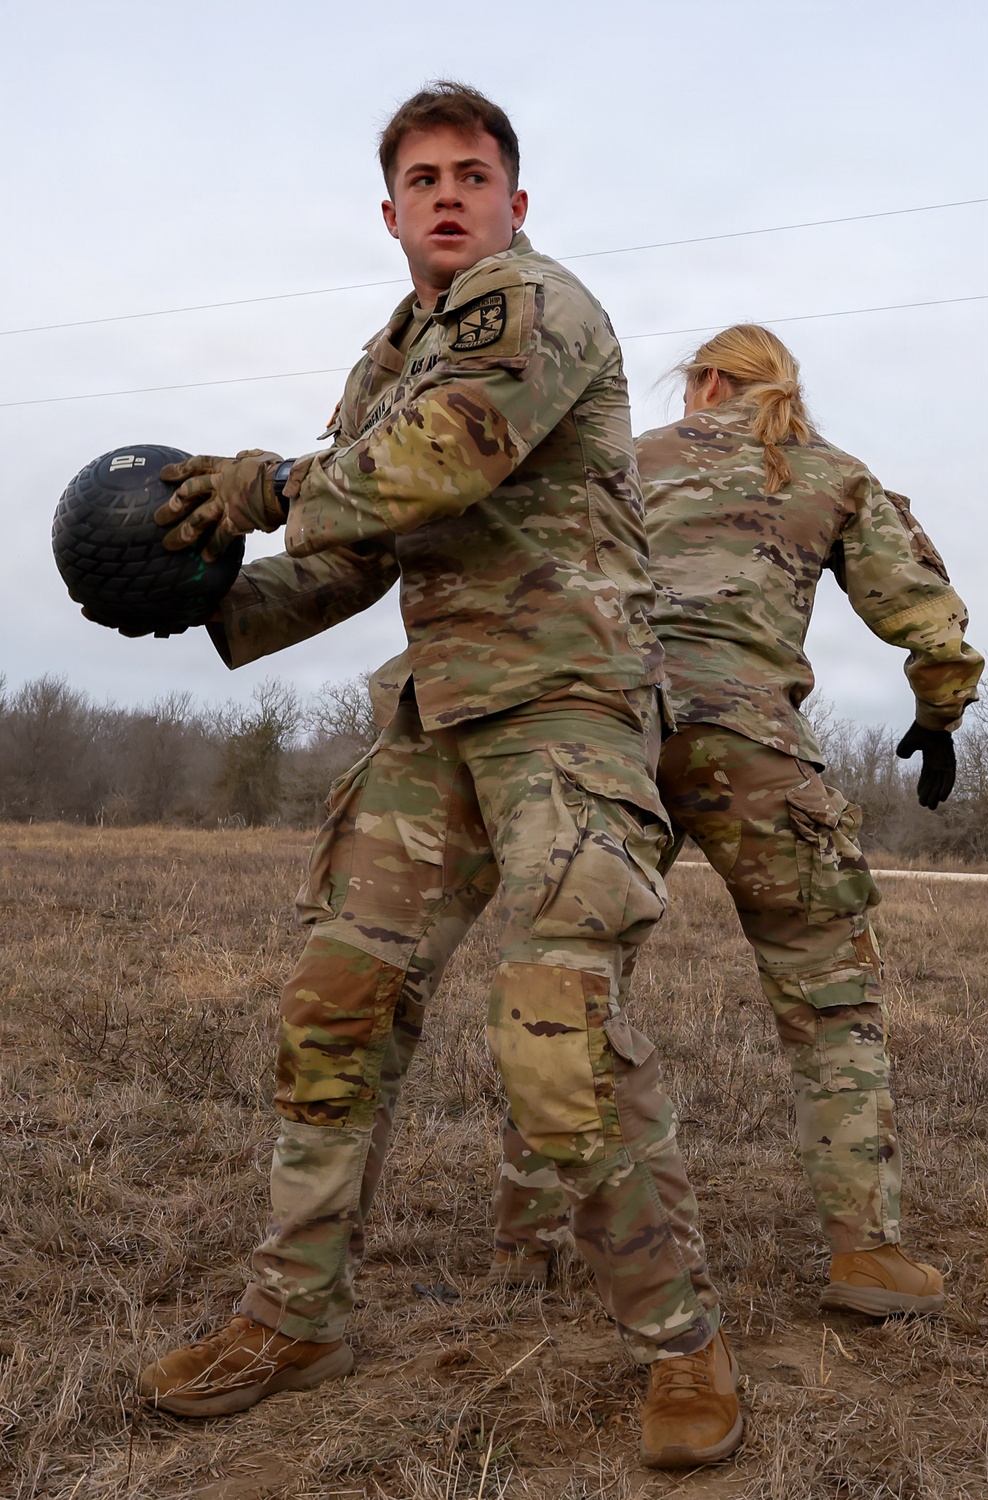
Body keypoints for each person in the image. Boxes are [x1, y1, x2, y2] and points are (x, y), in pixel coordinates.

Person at [138, 85, 743, 1470]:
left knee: (555, 1037)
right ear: (393, 212)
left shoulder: (534, 306)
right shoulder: (388, 356)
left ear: (516, 202)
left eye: (475, 173)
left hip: (567, 716)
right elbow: (359, 549)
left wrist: (271, 484)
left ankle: (683, 1342)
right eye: (424, 178)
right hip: (434, 726)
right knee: (335, 1007)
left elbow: (431, 466)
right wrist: (204, 600)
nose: (451, 194)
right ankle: (295, 1315)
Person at [491, 324, 983, 1319]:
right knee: (829, 998)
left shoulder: (626, 465)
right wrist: (938, 718)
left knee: (570, 990)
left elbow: (536, 588)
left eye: (690, 386)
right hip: (750, 740)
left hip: (615, 733)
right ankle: (863, 1256)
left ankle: (523, 1243)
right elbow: (929, 621)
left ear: (710, 382)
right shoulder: (832, 473)